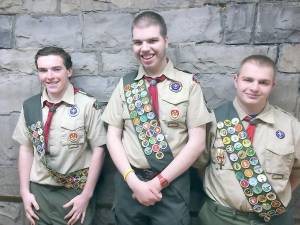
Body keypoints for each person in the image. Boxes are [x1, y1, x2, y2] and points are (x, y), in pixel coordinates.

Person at [101, 10, 211, 225]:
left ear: (166, 41)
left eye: (152, 40)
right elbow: (113, 137)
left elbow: (197, 144)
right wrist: (134, 183)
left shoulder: (189, 85)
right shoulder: (125, 86)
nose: (145, 48)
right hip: (129, 185)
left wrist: (158, 183)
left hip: (172, 187)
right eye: (138, 42)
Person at [197, 55, 300, 225]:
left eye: (263, 82)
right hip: (220, 218)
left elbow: (296, 171)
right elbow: (201, 165)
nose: (254, 87)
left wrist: (267, 201)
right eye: (248, 80)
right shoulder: (213, 121)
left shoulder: (291, 127)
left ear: (272, 86)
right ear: (236, 80)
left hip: (272, 220)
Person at [12, 46, 106, 225]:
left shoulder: (87, 105)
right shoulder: (30, 107)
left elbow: (99, 150)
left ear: (69, 71)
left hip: (74, 192)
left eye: (56, 69)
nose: (50, 76)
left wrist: (86, 195)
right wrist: (25, 192)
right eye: (43, 70)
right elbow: (26, 149)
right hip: (38, 194)